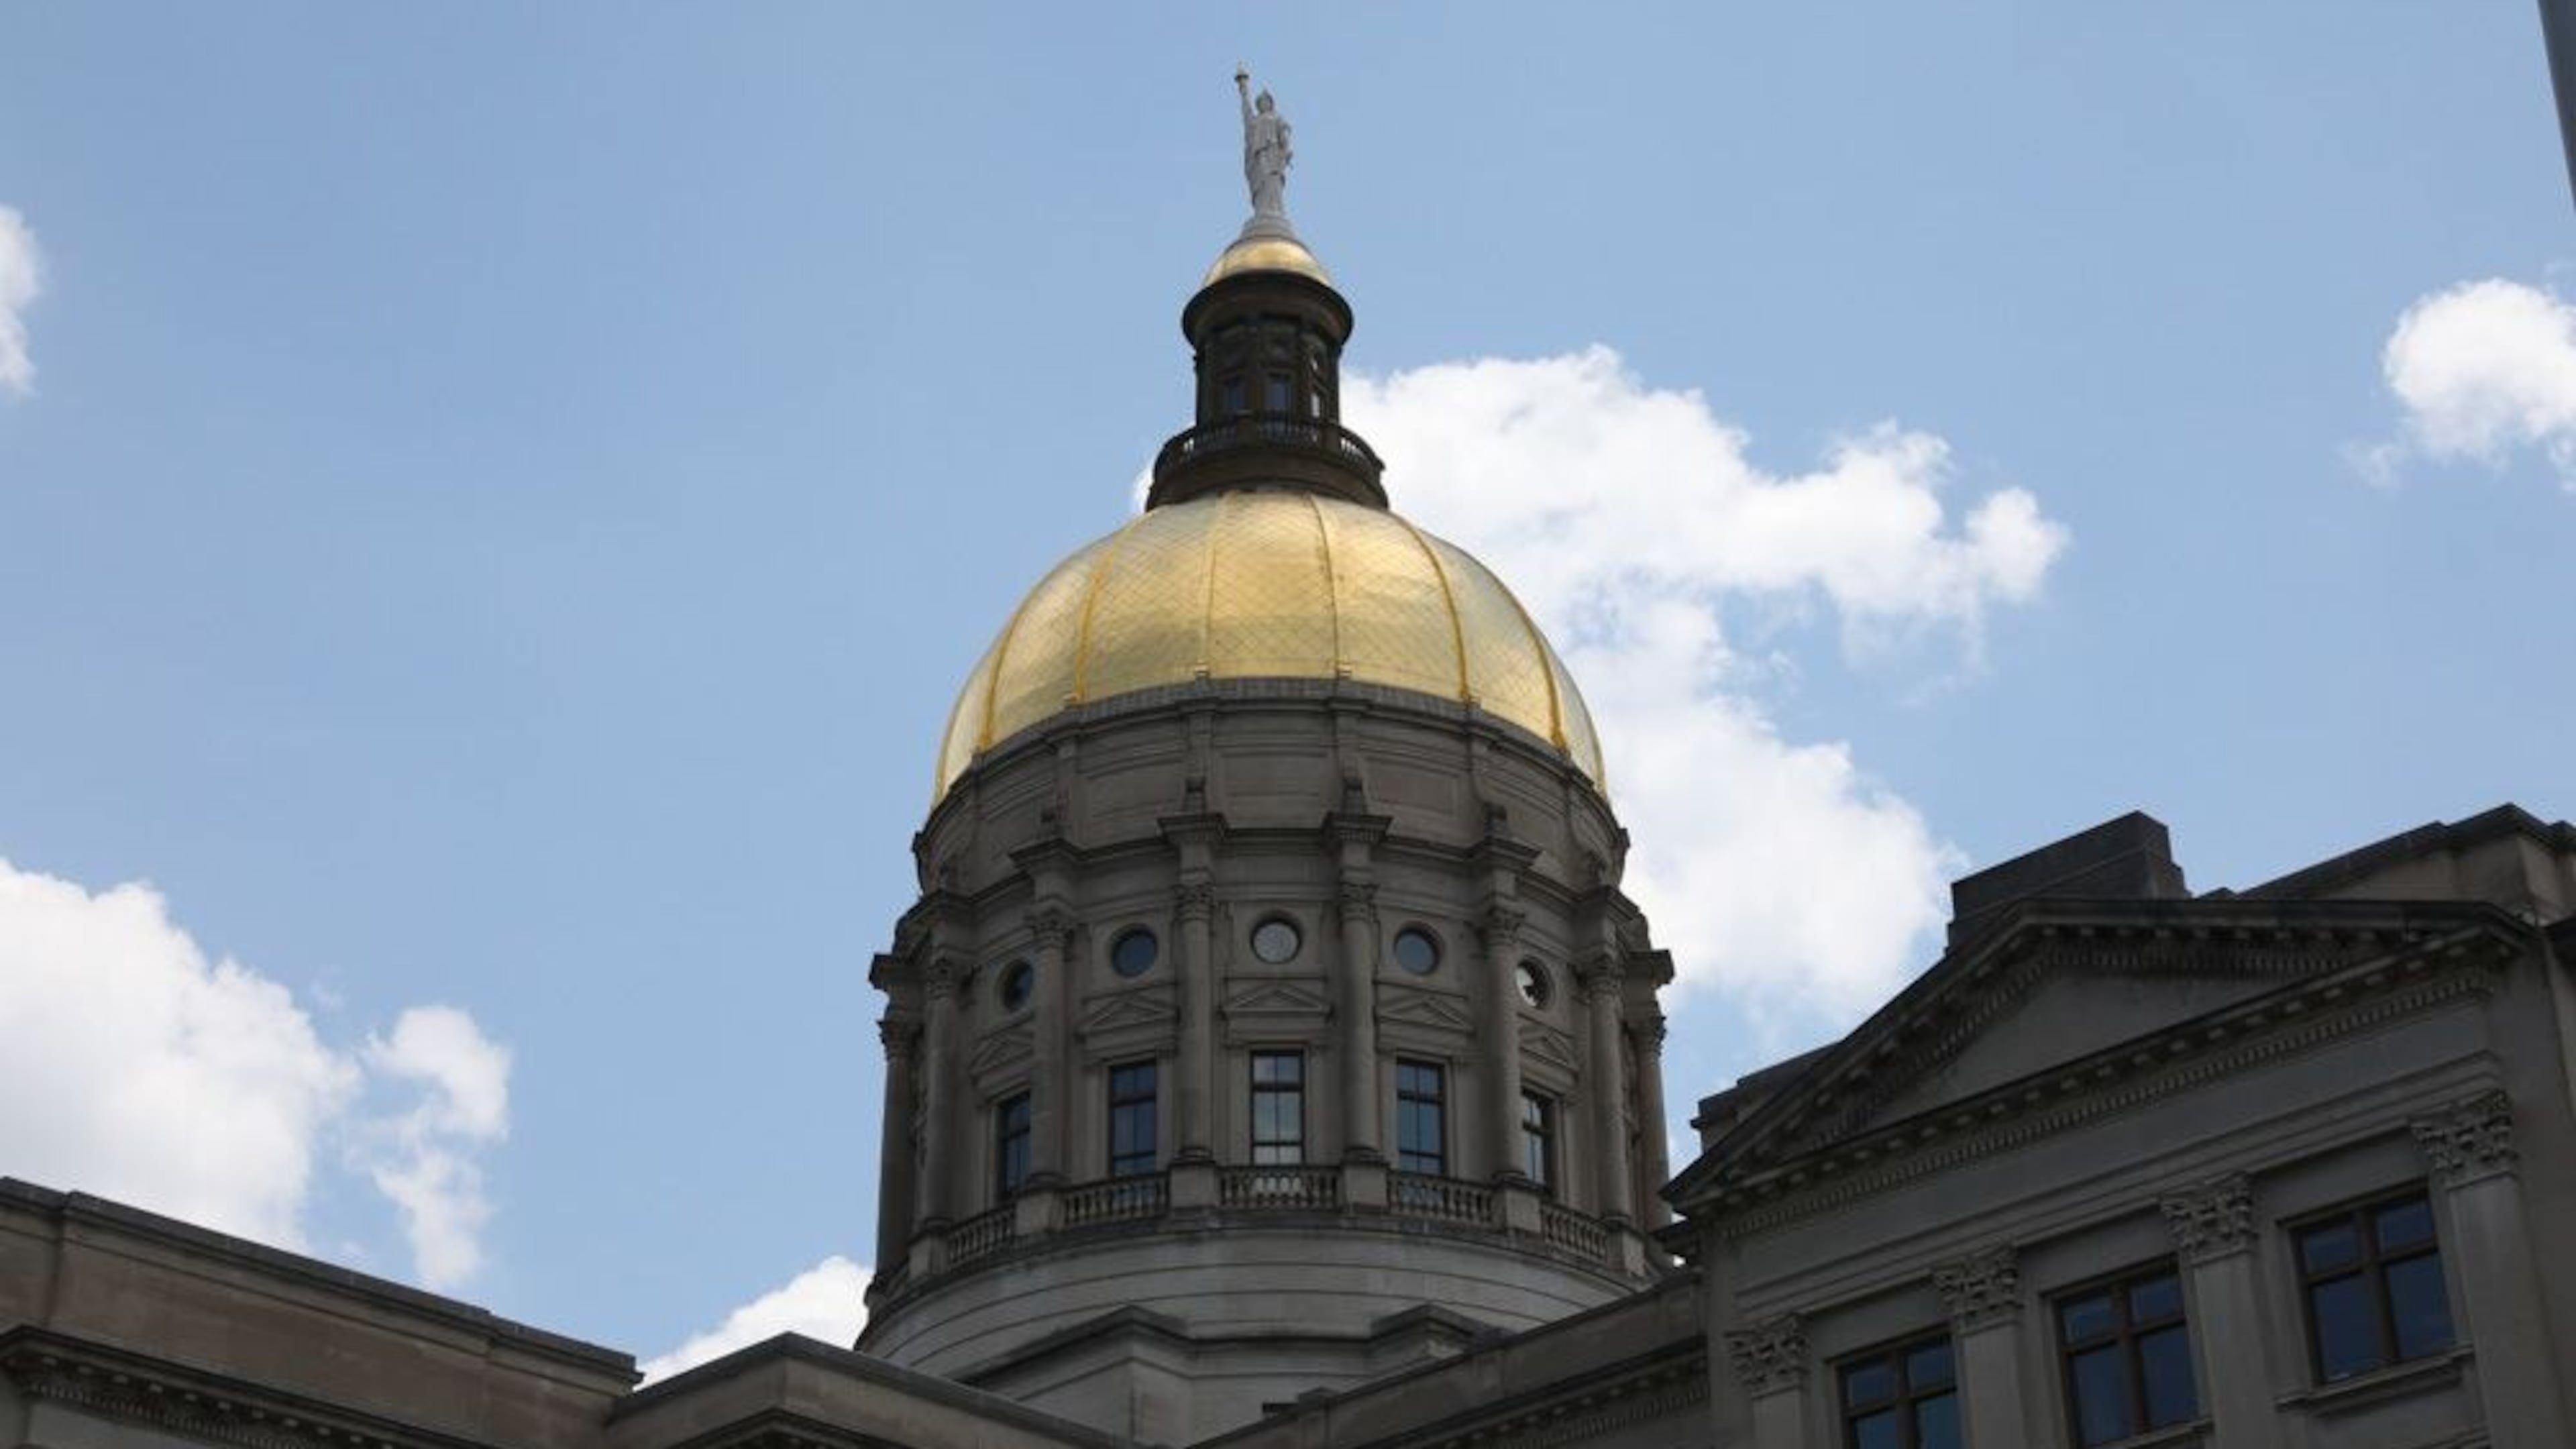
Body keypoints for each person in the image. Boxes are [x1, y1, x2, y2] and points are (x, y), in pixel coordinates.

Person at [1237, 67, 1293, 219]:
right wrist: (1244, 90)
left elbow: (1284, 132)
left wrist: (1287, 148)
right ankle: (1261, 211)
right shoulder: (1254, 121)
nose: (1263, 104)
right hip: (1258, 157)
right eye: (1260, 102)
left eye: (1265, 101)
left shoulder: (1276, 118)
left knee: (1273, 182)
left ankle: (1275, 210)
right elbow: (1246, 112)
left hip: (1273, 154)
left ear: (1271, 103)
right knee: (1261, 184)